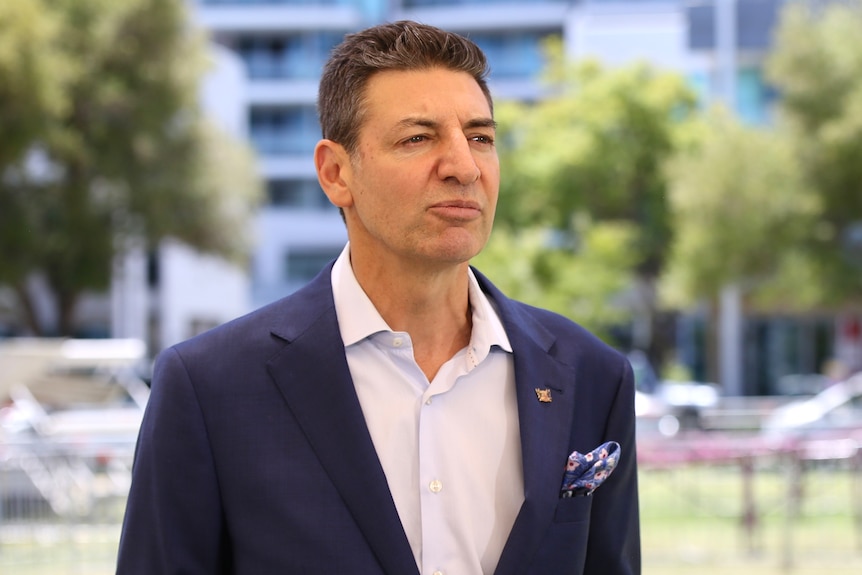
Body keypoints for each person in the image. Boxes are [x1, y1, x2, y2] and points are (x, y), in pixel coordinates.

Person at [116, 20, 640, 575]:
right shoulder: (209, 388)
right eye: (418, 138)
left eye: (480, 137)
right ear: (336, 173)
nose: (464, 167)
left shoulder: (593, 377)